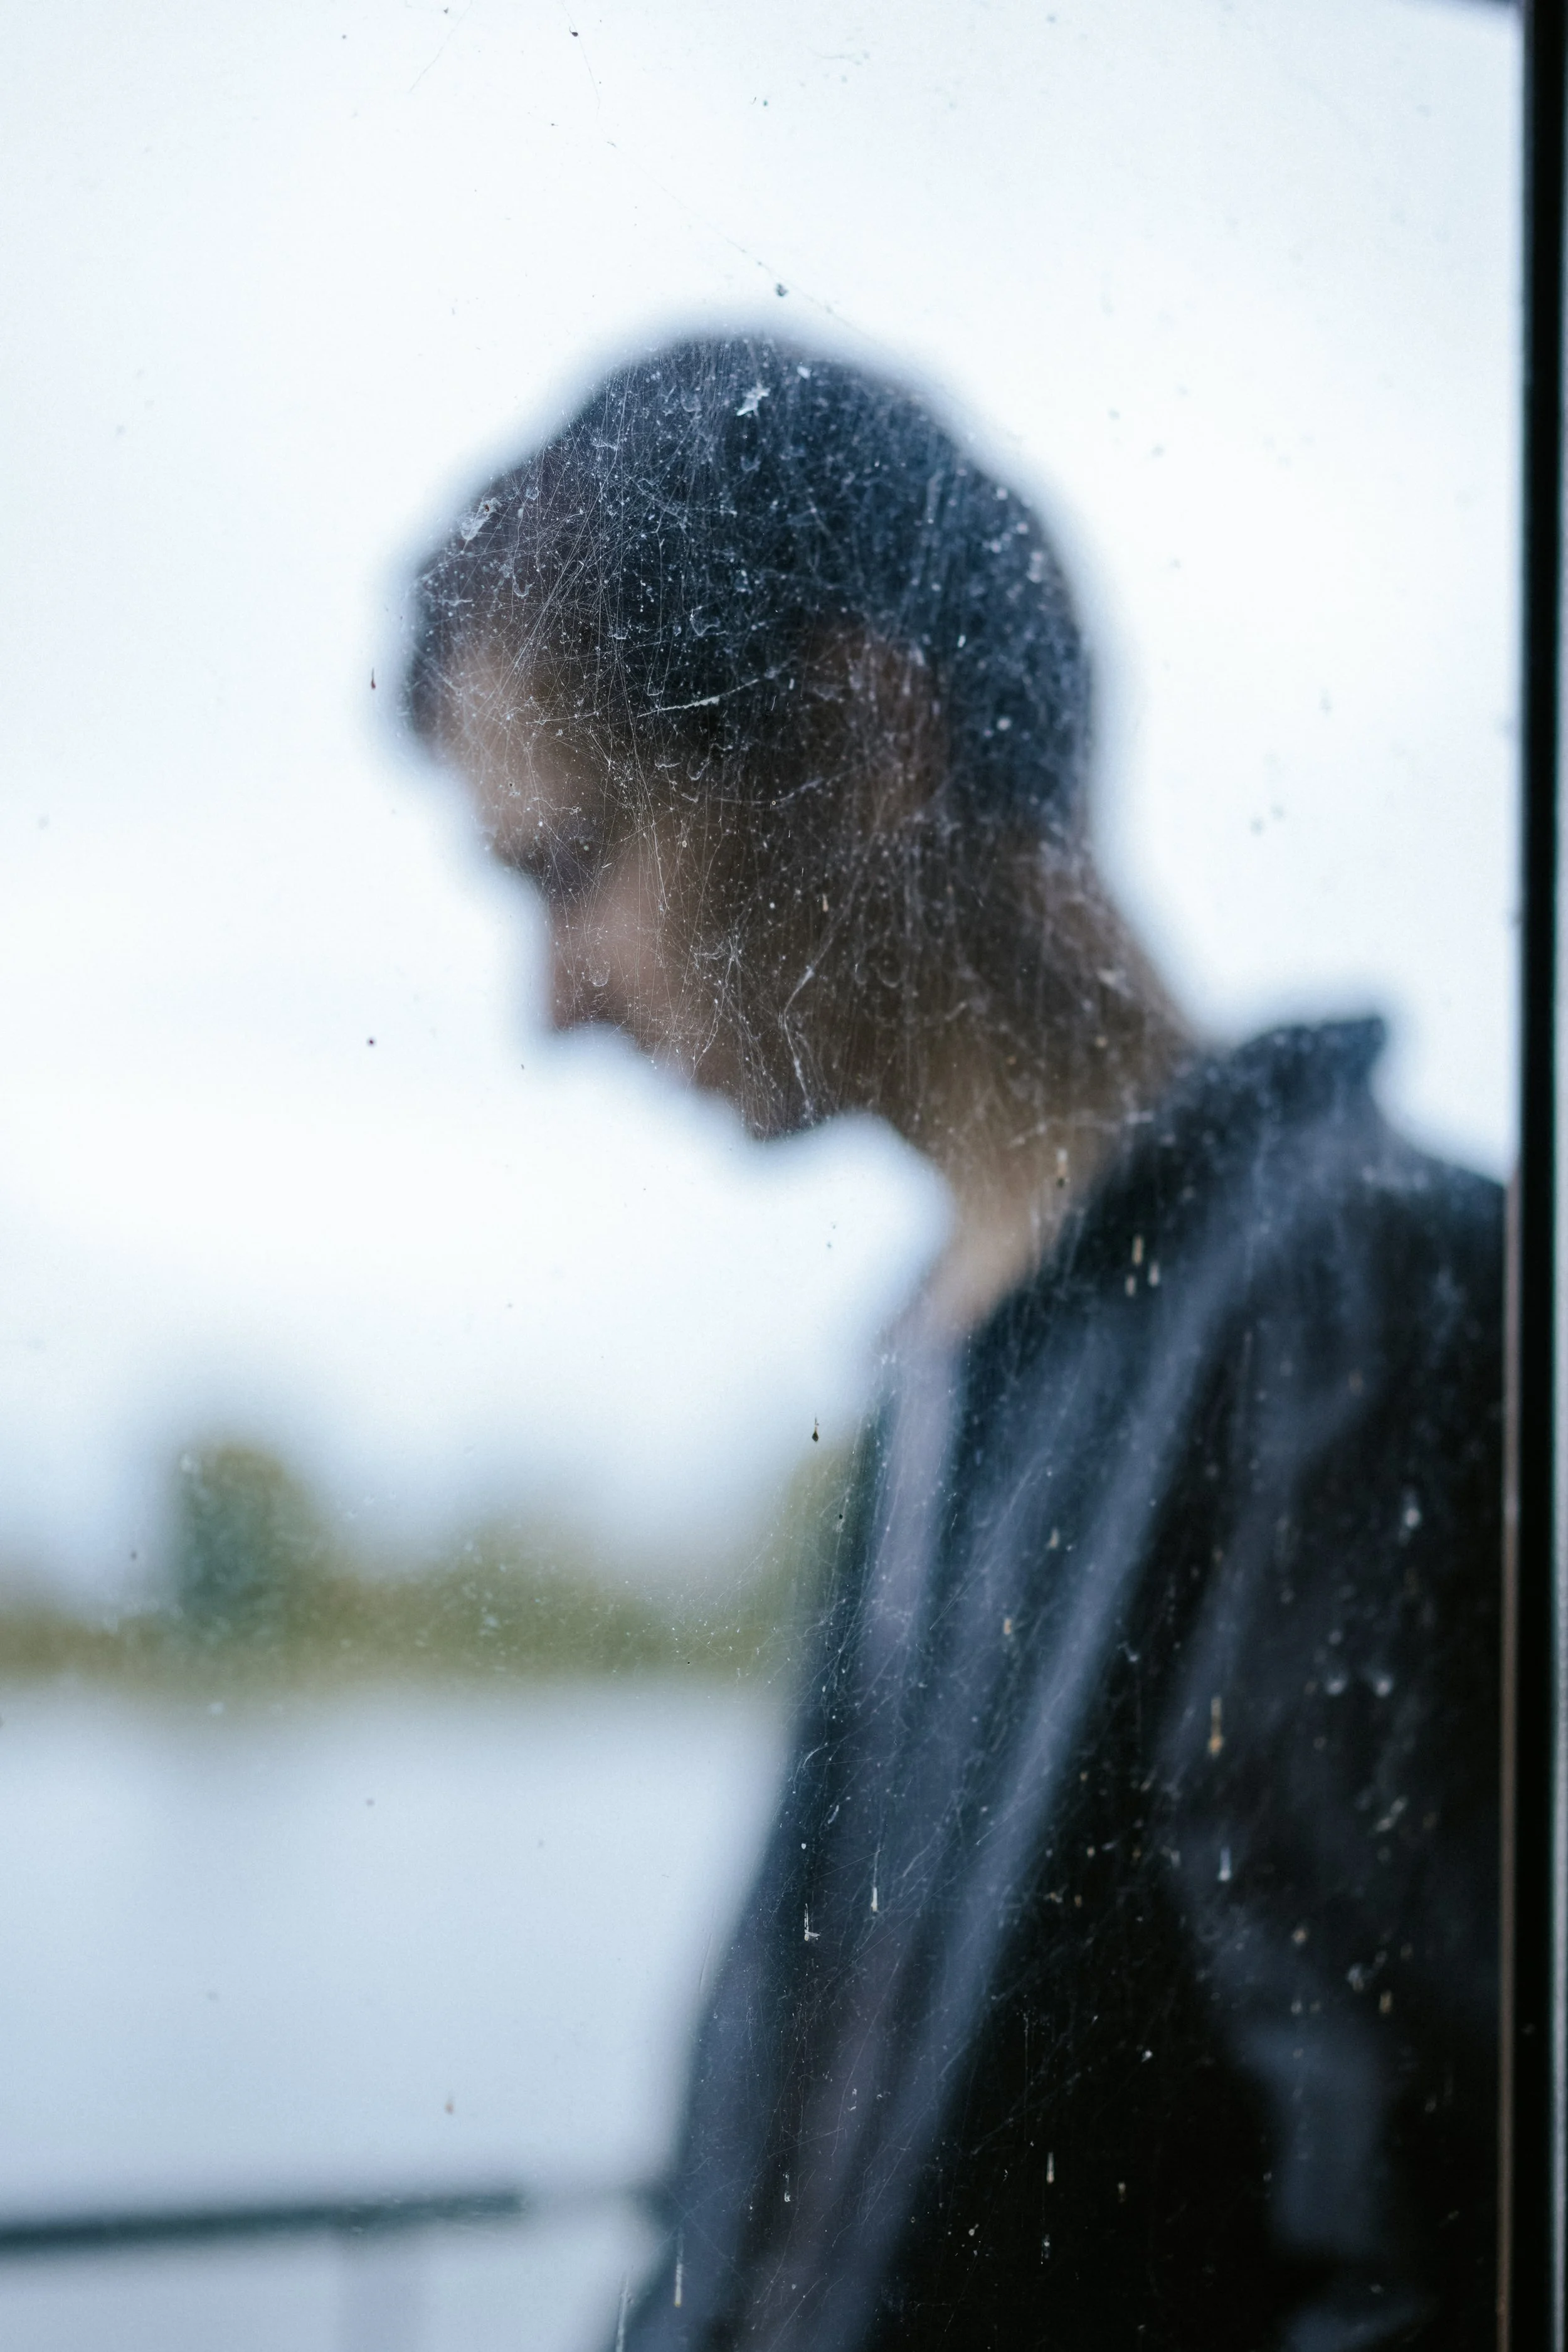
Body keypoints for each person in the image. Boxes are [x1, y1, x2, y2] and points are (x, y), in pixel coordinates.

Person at [405, 337, 1501, 2351]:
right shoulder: (947, 1365)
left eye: (573, 862)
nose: (551, 1001)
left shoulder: (1360, 1304)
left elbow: (1429, 2264)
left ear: (852, 733)